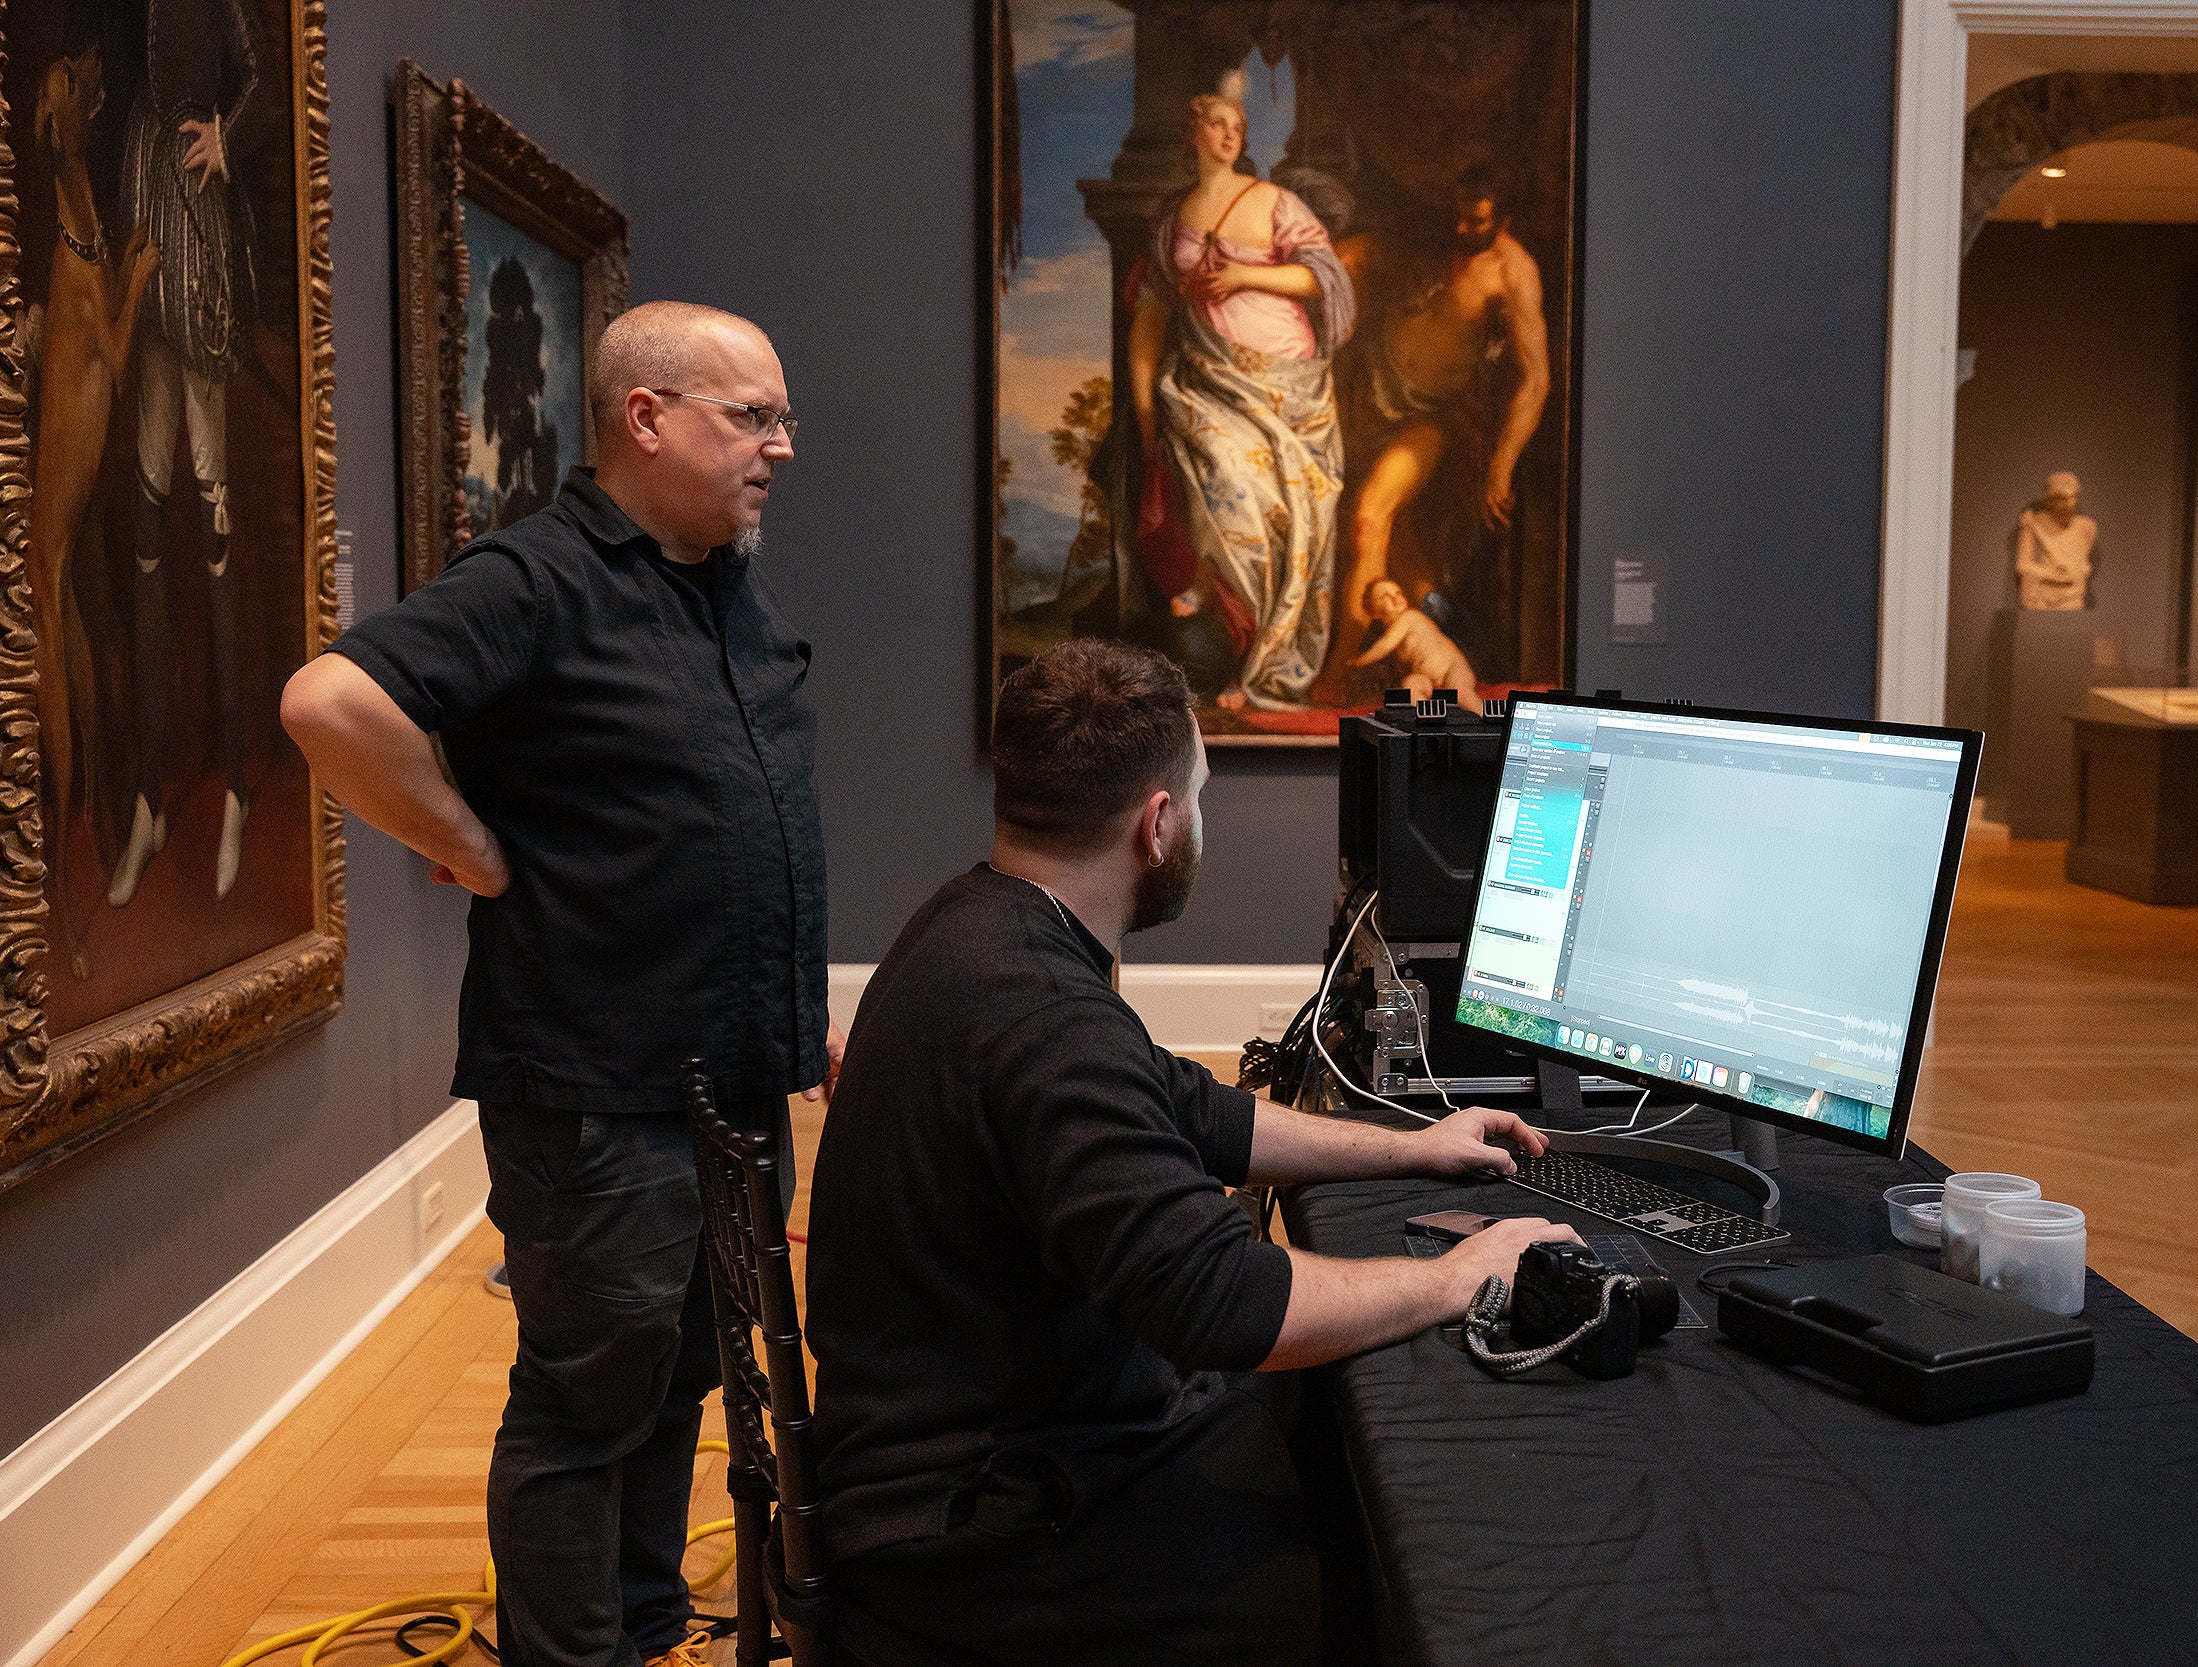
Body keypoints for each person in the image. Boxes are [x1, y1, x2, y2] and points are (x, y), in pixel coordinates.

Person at [806, 638, 1577, 1665]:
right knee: (1394, 1572)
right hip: (978, 1530)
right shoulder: (1044, 1017)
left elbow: (1189, 1107)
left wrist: (1411, 1147)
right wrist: (1457, 1277)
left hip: (963, 1447)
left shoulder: (978, 922)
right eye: (1201, 796)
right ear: (1158, 822)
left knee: (1338, 1432)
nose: (1200, 822)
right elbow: (1218, 1302)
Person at [280, 301, 844, 1667]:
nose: (781, 445)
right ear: (646, 418)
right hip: (597, 1087)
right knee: (586, 1400)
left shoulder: (723, 578)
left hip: (730, 1070)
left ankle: (642, 1623)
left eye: (782, 418)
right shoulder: (537, 578)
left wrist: (790, 997)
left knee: (683, 1372)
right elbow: (330, 704)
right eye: (752, 416)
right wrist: (468, 843)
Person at [108, 0, 272, 909]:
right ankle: (147, 799)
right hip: (141, 207)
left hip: (197, 218)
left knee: (214, 514)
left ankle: (236, 785)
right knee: (145, 514)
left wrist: (226, 133)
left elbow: (256, 74)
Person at [1127, 72, 1354, 712]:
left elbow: (1323, 278)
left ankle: (1265, 664)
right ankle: (1235, 637)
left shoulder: (1274, 201)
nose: (1229, 135)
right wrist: (1144, 409)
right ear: (1192, 131)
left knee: (1292, 519)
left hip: (1290, 385)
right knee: (1230, 501)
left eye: (1238, 126)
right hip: (1206, 380)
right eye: (1217, 123)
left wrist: (1245, 276)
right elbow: (1151, 315)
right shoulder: (1171, 220)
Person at [1340, 162, 1551, 652]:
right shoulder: (1435, 235)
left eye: (1476, 222)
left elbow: (1536, 380)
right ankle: (1446, 635)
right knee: (1396, 543)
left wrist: (1502, 465)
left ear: (1504, 222)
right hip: (1363, 388)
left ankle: (1341, 673)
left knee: (1370, 517)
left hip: (1428, 417)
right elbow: (1354, 254)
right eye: (1459, 215)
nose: (1461, 229)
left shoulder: (1513, 274)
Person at [1350, 577, 1483, 712]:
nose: (1395, 598)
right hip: (1428, 680)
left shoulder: (1409, 617)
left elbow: (1384, 646)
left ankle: (1486, 716)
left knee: (1461, 694)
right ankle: (1428, 717)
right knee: (1410, 687)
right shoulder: (1392, 634)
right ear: (1373, 612)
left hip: (1453, 669)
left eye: (1398, 593)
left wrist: (1359, 662)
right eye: (1385, 596)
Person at [2015, 471, 2096, 611]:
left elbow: (2082, 566)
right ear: (2051, 501)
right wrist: (2050, 573)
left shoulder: (2087, 527)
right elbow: (2023, 565)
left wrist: (2073, 572)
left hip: (2072, 593)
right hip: (2043, 592)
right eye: (2062, 499)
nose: (2070, 503)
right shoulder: (2033, 522)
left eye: (2073, 497)